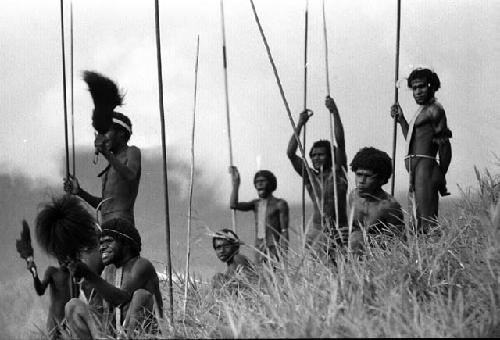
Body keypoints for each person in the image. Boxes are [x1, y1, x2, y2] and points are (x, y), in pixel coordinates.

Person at [64, 218, 163, 338]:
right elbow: (100, 312)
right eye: (100, 244)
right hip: (116, 335)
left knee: (141, 296)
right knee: (73, 306)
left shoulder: (141, 265)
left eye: (108, 241)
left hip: (142, 335)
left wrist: (88, 273)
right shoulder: (108, 272)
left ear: (125, 243)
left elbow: (121, 299)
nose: (102, 248)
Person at [391, 67, 452, 233]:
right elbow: (411, 142)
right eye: (415, 88)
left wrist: (441, 172)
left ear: (431, 86)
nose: (418, 91)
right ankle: (422, 258)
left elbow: (444, 144)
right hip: (416, 170)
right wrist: (402, 120)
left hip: (426, 169)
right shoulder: (421, 111)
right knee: (416, 222)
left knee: (427, 223)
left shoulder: (435, 109)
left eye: (422, 86)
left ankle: (434, 256)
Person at [287, 95, 348, 250]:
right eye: (313, 155)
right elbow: (290, 153)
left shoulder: (339, 171)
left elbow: (340, 143)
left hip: (341, 229)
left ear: (330, 156)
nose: (316, 158)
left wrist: (335, 112)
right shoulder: (310, 176)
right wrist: (300, 123)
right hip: (317, 231)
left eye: (321, 154)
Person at [64, 111, 141, 226]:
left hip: (122, 226)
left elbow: (130, 175)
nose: (102, 138)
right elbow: (105, 205)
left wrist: (106, 153)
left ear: (121, 133)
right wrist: (80, 192)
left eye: (106, 132)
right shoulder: (111, 164)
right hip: (106, 228)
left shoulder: (132, 151)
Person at [347, 147, 405, 254]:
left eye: (368, 176)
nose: (361, 181)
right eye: (358, 174)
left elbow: (400, 244)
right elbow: (354, 228)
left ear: (381, 180)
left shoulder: (389, 206)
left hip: (379, 257)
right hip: (354, 257)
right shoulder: (353, 197)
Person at [229, 167, 289, 264]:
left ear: (271, 183)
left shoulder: (280, 204)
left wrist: (284, 252)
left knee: (275, 274)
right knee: (260, 274)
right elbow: (233, 205)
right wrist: (236, 184)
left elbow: (284, 231)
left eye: (262, 181)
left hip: (273, 247)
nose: (259, 184)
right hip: (259, 247)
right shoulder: (256, 204)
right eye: (256, 182)